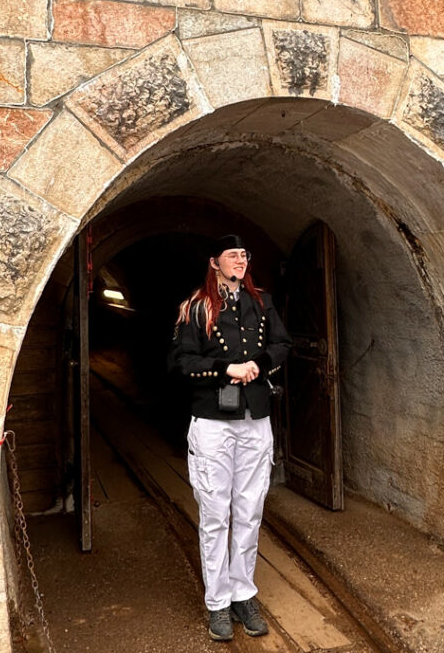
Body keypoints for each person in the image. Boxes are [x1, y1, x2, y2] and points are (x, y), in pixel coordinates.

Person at [173, 234, 291, 642]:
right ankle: (218, 602)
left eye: (244, 255)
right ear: (214, 263)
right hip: (212, 422)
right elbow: (182, 362)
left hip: (255, 418)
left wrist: (257, 364)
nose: (240, 260)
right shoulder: (196, 308)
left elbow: (282, 344)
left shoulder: (262, 302)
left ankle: (243, 593)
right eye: (232, 255)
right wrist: (227, 368)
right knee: (215, 513)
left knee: (250, 509)